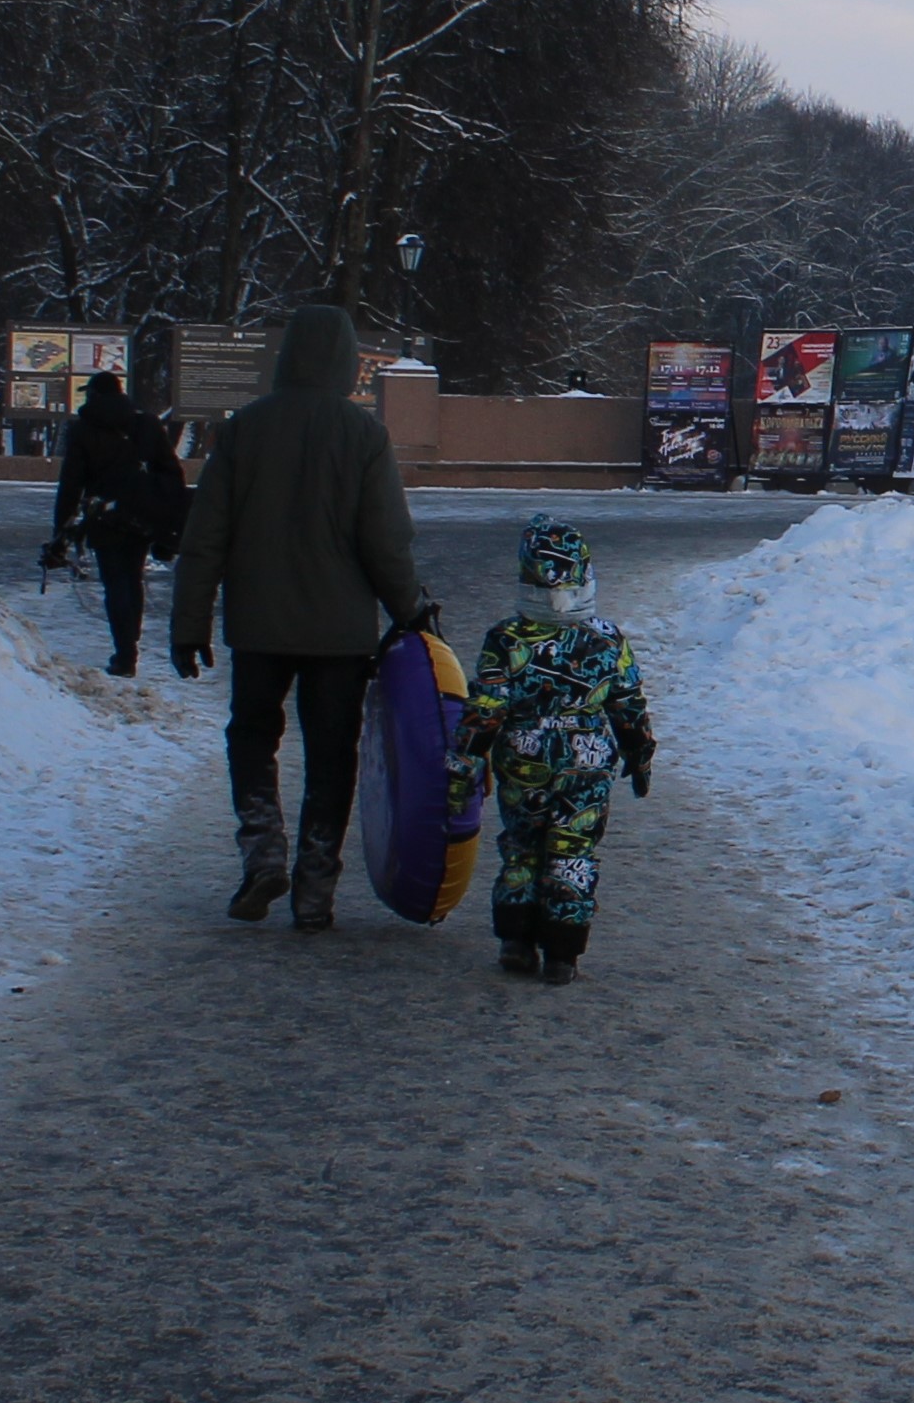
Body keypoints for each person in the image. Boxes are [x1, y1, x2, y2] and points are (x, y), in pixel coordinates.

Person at [171, 305, 435, 931]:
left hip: (258, 626)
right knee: (331, 753)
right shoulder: (364, 435)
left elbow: (204, 536)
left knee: (252, 734)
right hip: (339, 634)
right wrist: (412, 614)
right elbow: (385, 543)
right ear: (347, 363)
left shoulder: (244, 429)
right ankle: (316, 881)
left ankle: (262, 849)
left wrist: (189, 625)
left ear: (286, 355)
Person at [451, 517, 656, 986]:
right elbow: (628, 703)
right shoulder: (607, 639)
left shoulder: (505, 639)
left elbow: (486, 707)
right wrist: (639, 752)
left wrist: (464, 761)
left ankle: (516, 939)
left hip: (524, 754)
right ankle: (563, 951)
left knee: (522, 845)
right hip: (586, 757)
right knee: (574, 847)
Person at [45, 372, 185, 676]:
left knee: (115, 582)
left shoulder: (82, 430)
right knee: (133, 579)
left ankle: (125, 654)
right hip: (141, 514)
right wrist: (168, 515)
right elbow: (171, 471)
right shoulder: (147, 423)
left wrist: (60, 533)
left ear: (94, 395)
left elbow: (71, 484)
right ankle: (130, 644)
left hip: (104, 516)